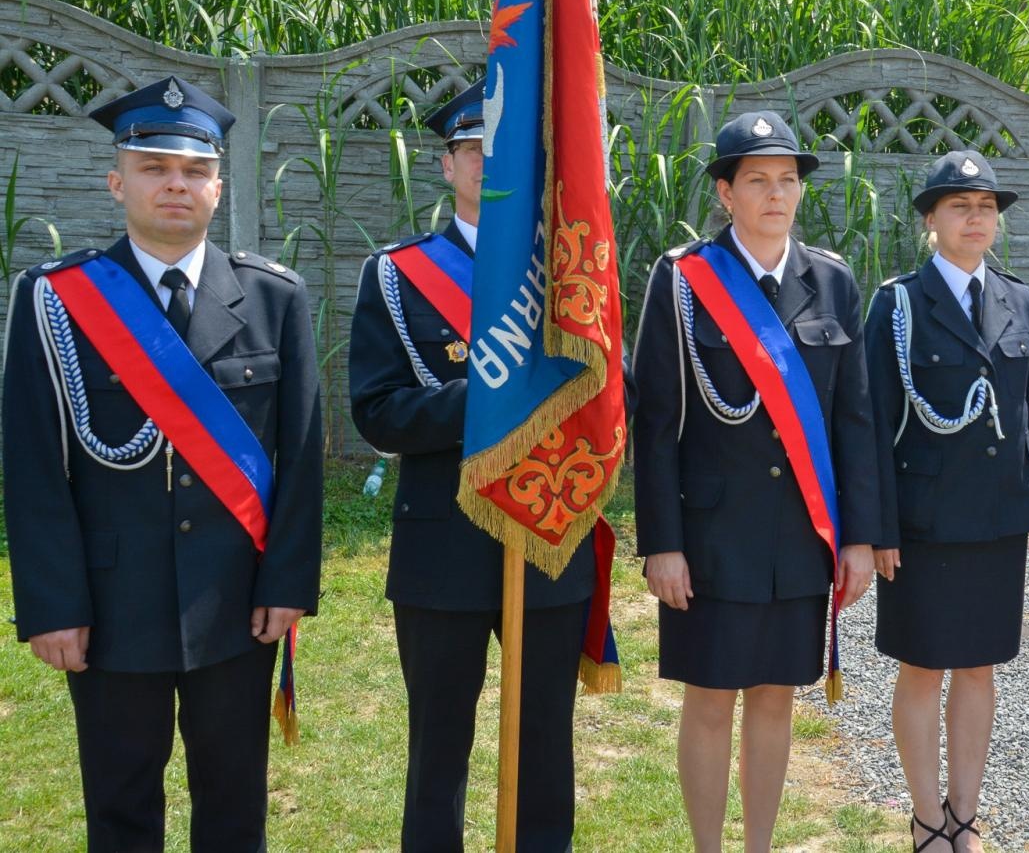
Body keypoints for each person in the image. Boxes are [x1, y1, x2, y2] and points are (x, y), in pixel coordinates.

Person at [2, 75, 324, 852]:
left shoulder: (274, 298)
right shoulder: (55, 300)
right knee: (119, 808)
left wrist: (287, 586)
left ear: (218, 186)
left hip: (235, 606)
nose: (174, 184)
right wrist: (51, 605)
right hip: (111, 608)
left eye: (192, 171)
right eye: (153, 167)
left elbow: (304, 458)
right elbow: (33, 466)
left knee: (234, 805)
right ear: (118, 182)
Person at [348, 81, 596, 852]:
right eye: (473, 151)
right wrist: (488, 399)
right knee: (438, 749)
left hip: (550, 532)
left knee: (546, 745)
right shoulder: (396, 275)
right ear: (447, 165)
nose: (491, 165)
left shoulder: (572, 278)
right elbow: (378, 412)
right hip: (443, 545)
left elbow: (607, 396)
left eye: (508, 153)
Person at [631, 110, 879, 852]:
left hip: (801, 536)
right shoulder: (682, 281)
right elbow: (655, 422)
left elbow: (854, 420)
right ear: (725, 192)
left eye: (788, 181)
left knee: (775, 698)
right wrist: (661, 544)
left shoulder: (830, 282)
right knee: (710, 701)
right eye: (758, 181)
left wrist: (860, 538)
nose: (777, 195)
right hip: (710, 537)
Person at [865, 151, 1029, 852]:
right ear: (930, 221)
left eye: (986, 207)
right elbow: (873, 426)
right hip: (923, 524)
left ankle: (965, 815)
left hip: (998, 517)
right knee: (922, 667)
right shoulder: (896, 304)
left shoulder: (1020, 300)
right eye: (960, 206)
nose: (976, 217)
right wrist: (878, 526)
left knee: (979, 667)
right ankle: (925, 818)